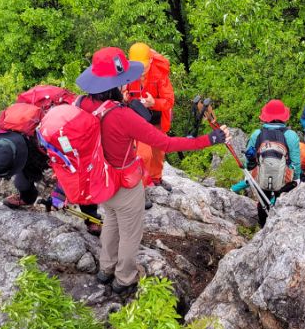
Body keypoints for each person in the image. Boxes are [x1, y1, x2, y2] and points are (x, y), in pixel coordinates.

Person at [76, 47, 229, 294]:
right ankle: (124, 278)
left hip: (99, 179)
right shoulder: (122, 116)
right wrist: (209, 139)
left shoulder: (81, 104)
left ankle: (106, 269)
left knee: (111, 221)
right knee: (130, 233)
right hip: (124, 184)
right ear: (117, 83)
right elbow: (166, 144)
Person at [0, 89, 102, 235]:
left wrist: (60, 193)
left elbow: (74, 164)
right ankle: (27, 198)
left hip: (57, 142)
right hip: (30, 148)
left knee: (83, 185)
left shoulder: (51, 133)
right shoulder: (1, 144)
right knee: (22, 184)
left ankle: (92, 217)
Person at [232, 99, 302, 225]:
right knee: (283, 198)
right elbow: (296, 164)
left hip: (261, 179)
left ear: (265, 117)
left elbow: (249, 161)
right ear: (284, 117)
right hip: (283, 182)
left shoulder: (257, 134)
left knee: (262, 204)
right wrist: (295, 180)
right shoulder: (291, 135)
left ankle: (263, 227)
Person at [124, 42, 175, 191]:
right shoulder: (127, 74)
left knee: (158, 152)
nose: (140, 72)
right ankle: (142, 187)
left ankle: (156, 178)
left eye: (144, 67)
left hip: (157, 119)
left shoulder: (160, 75)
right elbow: (121, 92)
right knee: (144, 155)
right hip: (138, 120)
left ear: (151, 61)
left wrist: (154, 103)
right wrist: (125, 96)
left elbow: (169, 101)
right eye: (137, 68)